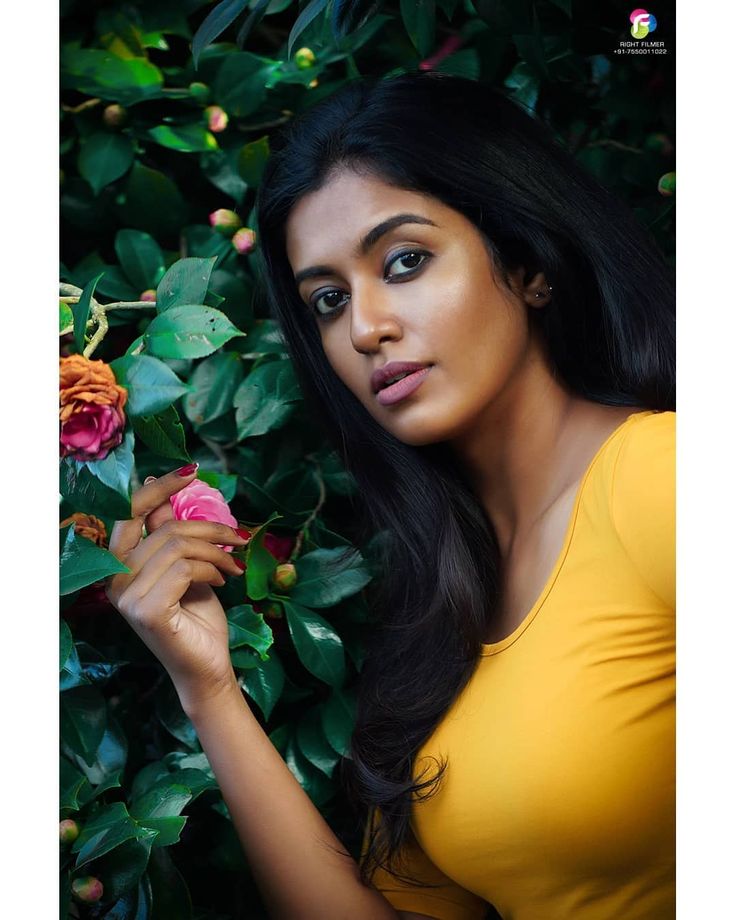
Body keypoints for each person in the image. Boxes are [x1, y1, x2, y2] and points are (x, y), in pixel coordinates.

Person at [105, 72, 675, 919]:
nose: (364, 327)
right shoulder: (438, 608)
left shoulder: (664, 476)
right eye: (327, 301)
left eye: (405, 261)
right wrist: (210, 690)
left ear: (527, 266)